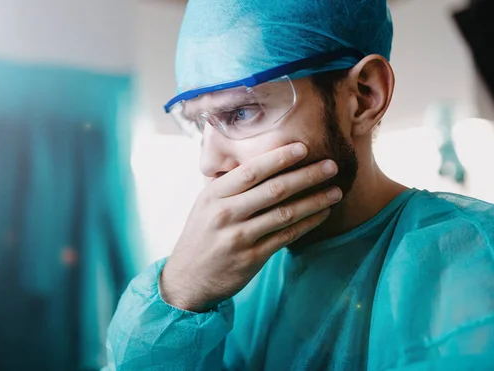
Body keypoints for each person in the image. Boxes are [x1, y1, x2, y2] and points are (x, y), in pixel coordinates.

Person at [105, 0, 494, 369]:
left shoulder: (474, 266)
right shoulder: (222, 286)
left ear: (363, 97)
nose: (209, 163)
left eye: (242, 111)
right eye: (198, 123)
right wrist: (180, 295)